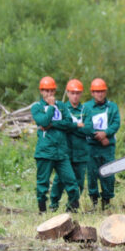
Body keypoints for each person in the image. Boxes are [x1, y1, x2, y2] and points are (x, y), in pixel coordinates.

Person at [31, 76, 80, 214]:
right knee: (43, 183)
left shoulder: (62, 105)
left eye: (51, 90)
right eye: (46, 91)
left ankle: (72, 208)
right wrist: (51, 108)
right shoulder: (37, 107)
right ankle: (42, 210)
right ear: (41, 91)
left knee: (71, 181)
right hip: (45, 151)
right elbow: (44, 121)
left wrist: (53, 124)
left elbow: (69, 123)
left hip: (61, 152)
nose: (49, 94)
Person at [49, 79, 92, 211]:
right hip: (64, 152)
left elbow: (89, 129)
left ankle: (72, 206)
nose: (75, 96)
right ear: (67, 93)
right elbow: (59, 125)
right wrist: (77, 126)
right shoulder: (62, 108)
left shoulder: (86, 110)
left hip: (81, 152)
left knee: (78, 181)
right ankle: (53, 204)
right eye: (72, 93)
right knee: (60, 180)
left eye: (77, 93)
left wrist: (71, 127)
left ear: (81, 94)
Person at [84, 78, 120, 210]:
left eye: (102, 91)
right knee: (92, 174)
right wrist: (98, 136)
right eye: (96, 91)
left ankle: (107, 201)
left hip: (107, 147)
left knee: (108, 173)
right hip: (92, 147)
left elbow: (116, 123)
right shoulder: (86, 107)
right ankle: (93, 202)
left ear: (105, 92)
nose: (99, 94)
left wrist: (106, 133)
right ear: (92, 93)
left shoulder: (112, 106)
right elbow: (85, 125)